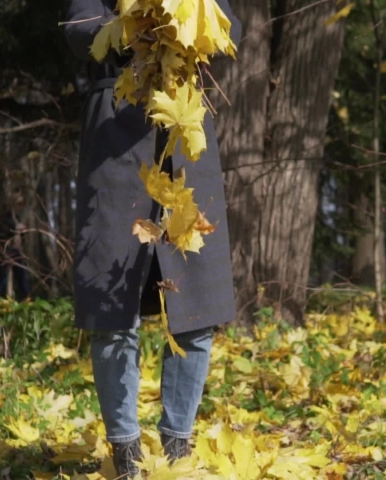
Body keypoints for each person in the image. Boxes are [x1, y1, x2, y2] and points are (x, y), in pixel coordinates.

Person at [63, 1, 242, 477]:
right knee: (111, 300)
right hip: (115, 131)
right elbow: (80, 30)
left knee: (195, 296)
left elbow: (230, 26)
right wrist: (142, 25)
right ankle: (126, 453)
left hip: (186, 131)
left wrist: (186, 21)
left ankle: (176, 448)